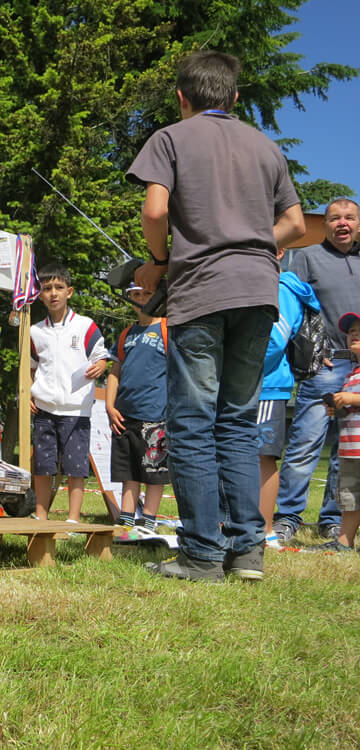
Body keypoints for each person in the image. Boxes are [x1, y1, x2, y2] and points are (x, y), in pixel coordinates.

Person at [128, 51, 305, 581]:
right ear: (234, 97)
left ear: (182, 97)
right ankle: (247, 553)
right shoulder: (266, 146)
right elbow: (295, 224)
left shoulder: (171, 138)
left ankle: (202, 554)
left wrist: (159, 261)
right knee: (237, 421)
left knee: (192, 422)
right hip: (258, 292)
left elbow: (155, 211)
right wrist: (249, 243)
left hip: (202, 292)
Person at [272, 199, 360, 543]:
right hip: (325, 365)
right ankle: (287, 517)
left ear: (358, 224)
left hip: (359, 369)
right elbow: (291, 307)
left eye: (349, 218)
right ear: (324, 225)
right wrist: (306, 352)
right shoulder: (307, 257)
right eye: (334, 218)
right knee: (305, 444)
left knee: (347, 451)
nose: (342, 223)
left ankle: (333, 519)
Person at [29, 264, 108, 523]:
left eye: (59, 287)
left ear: (69, 292)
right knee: (43, 465)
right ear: (40, 294)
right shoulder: (35, 331)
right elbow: (31, 367)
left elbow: (101, 356)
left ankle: (73, 518)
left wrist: (100, 366)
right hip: (45, 409)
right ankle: (41, 515)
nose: (53, 293)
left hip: (77, 409)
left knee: (75, 466)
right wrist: (29, 394)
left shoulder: (85, 326)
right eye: (47, 288)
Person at [257, 249, 320, 549]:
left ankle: (265, 530)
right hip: (241, 386)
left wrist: (233, 366)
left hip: (266, 386)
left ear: (280, 251)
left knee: (262, 458)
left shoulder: (281, 288)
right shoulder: (253, 282)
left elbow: (274, 341)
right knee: (234, 455)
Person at [105, 284, 169, 538]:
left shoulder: (168, 329)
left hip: (156, 415)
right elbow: (114, 372)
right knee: (128, 471)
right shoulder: (126, 334)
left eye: (147, 294)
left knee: (154, 471)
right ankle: (126, 519)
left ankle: (149, 520)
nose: (141, 299)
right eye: (136, 294)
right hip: (124, 415)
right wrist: (110, 406)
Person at [310, 313, 360, 552]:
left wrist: (351, 398)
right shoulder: (351, 375)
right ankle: (344, 542)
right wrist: (338, 407)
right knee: (350, 498)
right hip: (350, 449)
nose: (354, 334)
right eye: (351, 332)